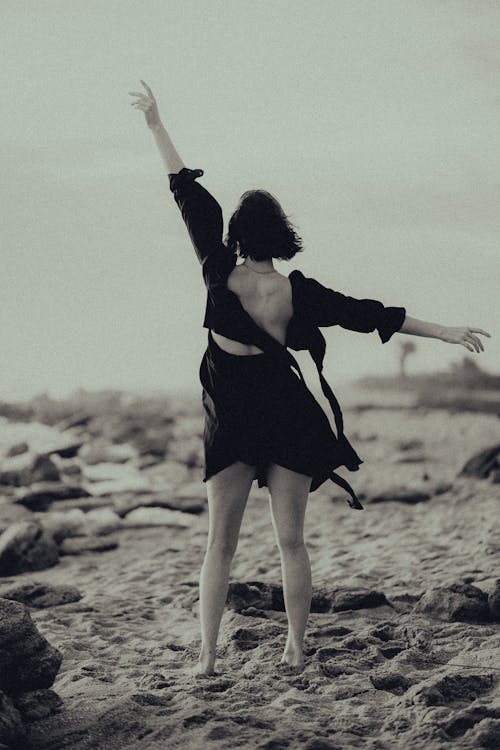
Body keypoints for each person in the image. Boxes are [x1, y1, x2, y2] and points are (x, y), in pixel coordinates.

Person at [130, 80, 491, 676]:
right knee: (290, 543)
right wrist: (447, 331)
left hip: (233, 417)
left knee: (219, 544)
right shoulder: (299, 292)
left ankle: (207, 658)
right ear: (279, 236)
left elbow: (187, 195)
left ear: (237, 235)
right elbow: (372, 314)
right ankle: (295, 648)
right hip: (286, 413)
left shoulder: (219, 270)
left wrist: (156, 126)